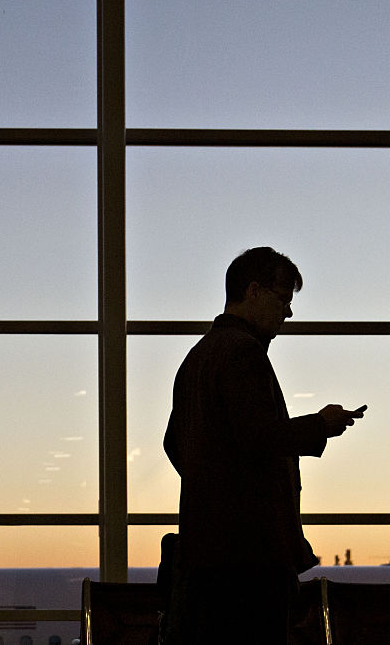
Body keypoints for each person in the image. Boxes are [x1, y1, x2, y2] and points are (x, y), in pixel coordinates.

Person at [163, 247, 364, 644]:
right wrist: (320, 425)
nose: (288, 312)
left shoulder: (199, 356)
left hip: (205, 557)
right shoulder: (243, 352)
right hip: (249, 556)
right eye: (283, 298)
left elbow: (174, 442)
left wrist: (211, 484)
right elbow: (259, 437)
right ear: (254, 291)